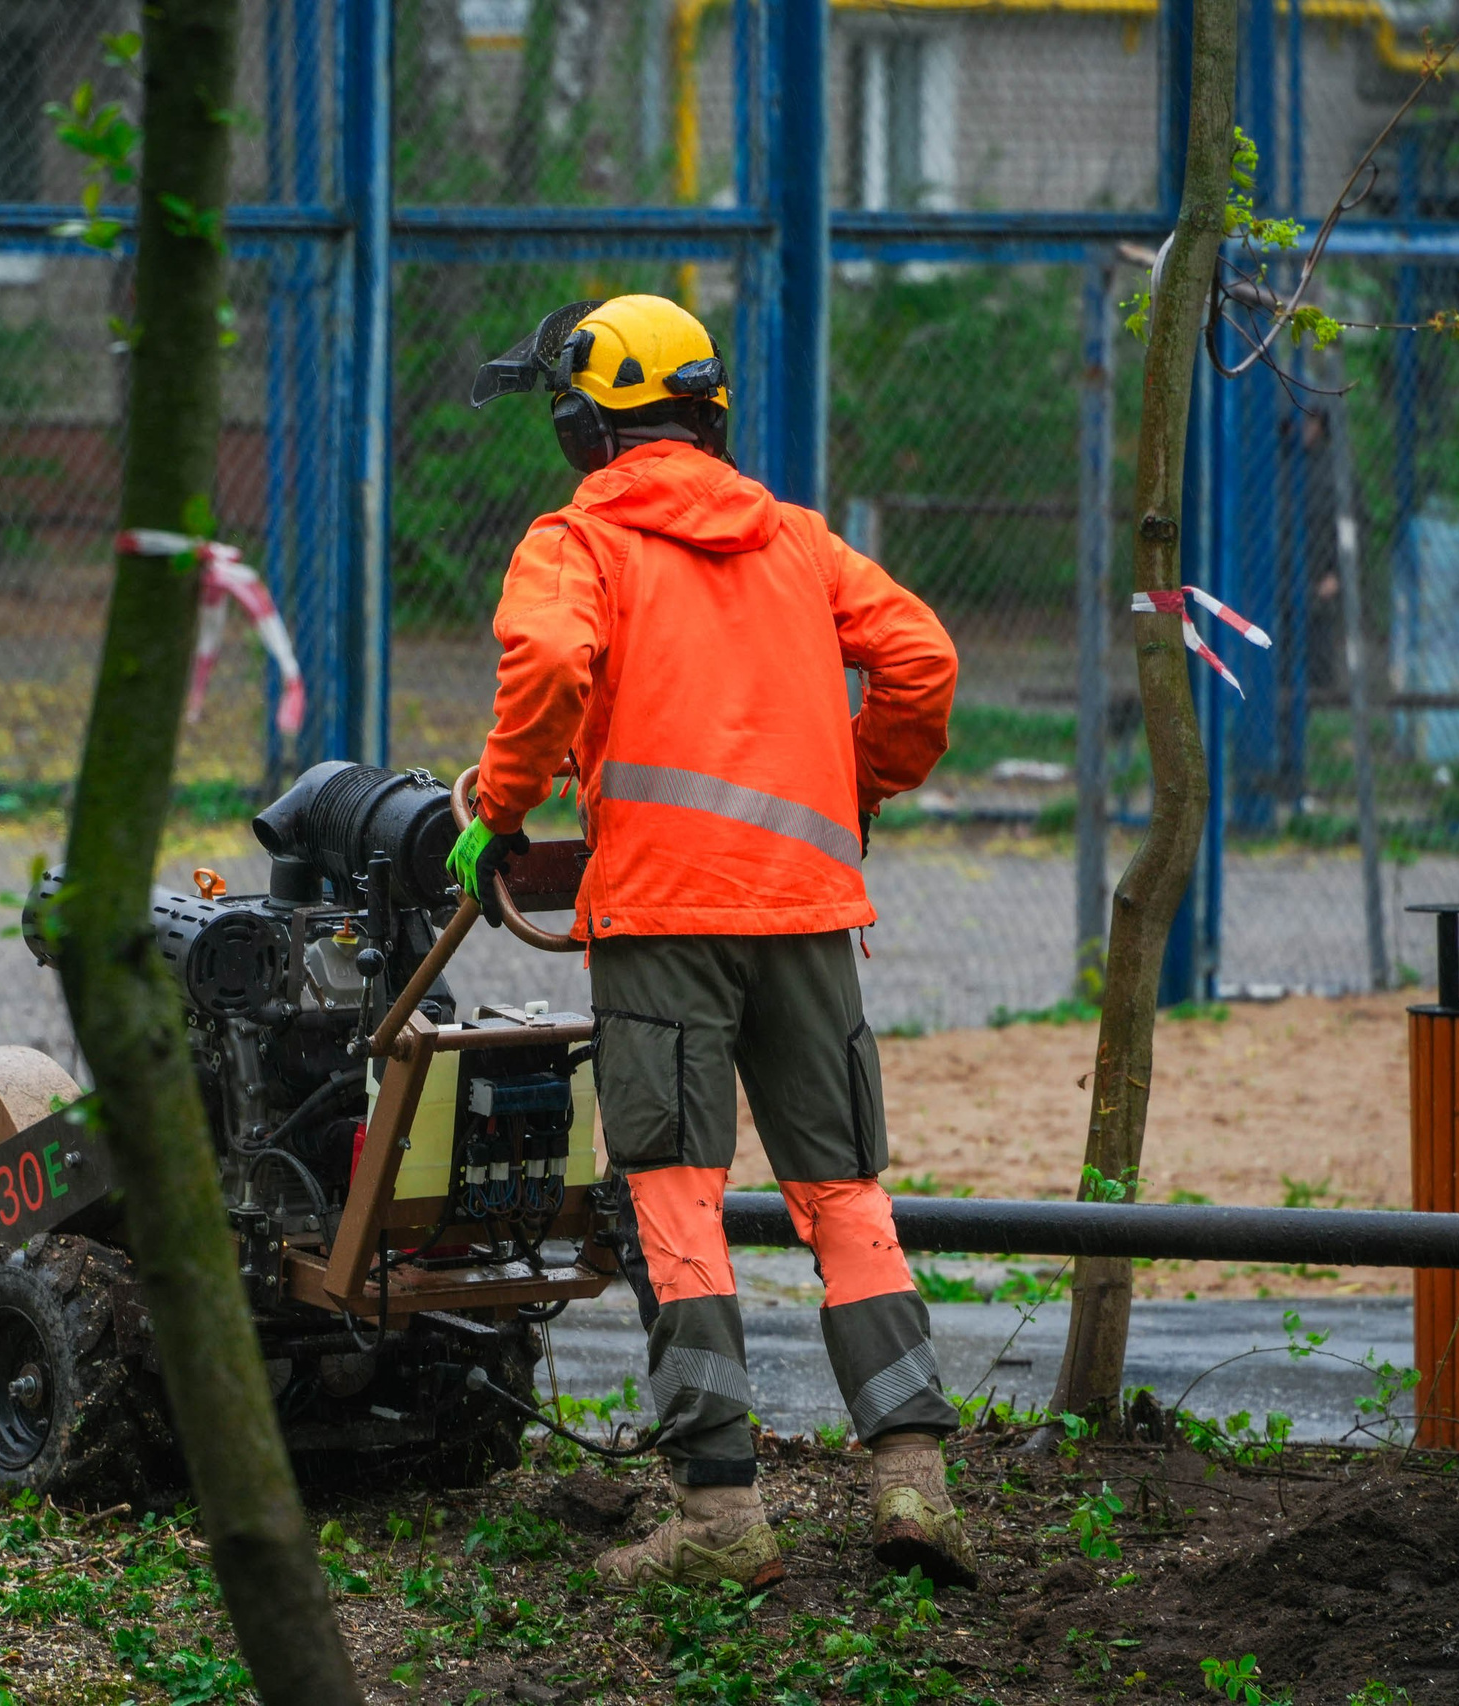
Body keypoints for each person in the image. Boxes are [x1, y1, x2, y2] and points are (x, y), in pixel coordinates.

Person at [447, 296, 977, 1592]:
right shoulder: (795, 539)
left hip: (666, 914)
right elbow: (923, 660)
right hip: (806, 909)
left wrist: (499, 809)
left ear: (585, 423)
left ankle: (721, 1510)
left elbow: (555, 665)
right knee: (843, 1191)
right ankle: (912, 1472)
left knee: (676, 1193)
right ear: (710, 412)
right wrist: (850, 790)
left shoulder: (578, 543)